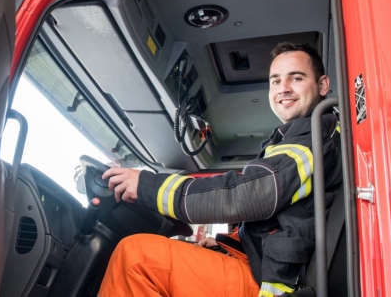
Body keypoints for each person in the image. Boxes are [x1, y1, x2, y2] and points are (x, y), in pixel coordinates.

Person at [97, 42, 343, 297]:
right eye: (275, 81)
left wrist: (147, 186)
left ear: (323, 85)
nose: (284, 88)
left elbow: (249, 195)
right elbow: (290, 218)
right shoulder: (304, 134)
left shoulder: (314, 136)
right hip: (260, 265)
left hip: (268, 284)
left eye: (297, 78)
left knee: (136, 258)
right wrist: (231, 243)